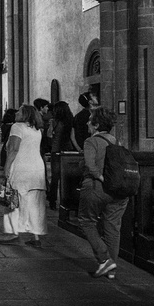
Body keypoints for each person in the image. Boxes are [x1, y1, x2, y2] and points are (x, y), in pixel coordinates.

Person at [77, 106, 129, 279]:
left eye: (90, 119)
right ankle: (111, 269)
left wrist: (100, 177)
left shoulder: (91, 141)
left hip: (96, 189)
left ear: (97, 124)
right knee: (113, 228)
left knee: (86, 222)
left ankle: (104, 258)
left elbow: (90, 165)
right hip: (119, 192)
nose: (87, 122)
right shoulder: (116, 141)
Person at [0, 103, 48, 247]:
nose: (16, 113)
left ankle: (13, 234)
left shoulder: (17, 127)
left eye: (19, 111)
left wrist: (6, 168)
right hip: (37, 168)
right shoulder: (36, 129)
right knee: (35, 203)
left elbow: (14, 149)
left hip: (22, 167)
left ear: (25, 114)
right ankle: (36, 237)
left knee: (13, 199)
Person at [48, 100, 74, 209]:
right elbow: (72, 137)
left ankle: (52, 201)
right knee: (68, 177)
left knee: (55, 177)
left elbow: (49, 135)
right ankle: (67, 201)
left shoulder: (54, 122)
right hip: (68, 150)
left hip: (56, 150)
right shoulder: (70, 121)